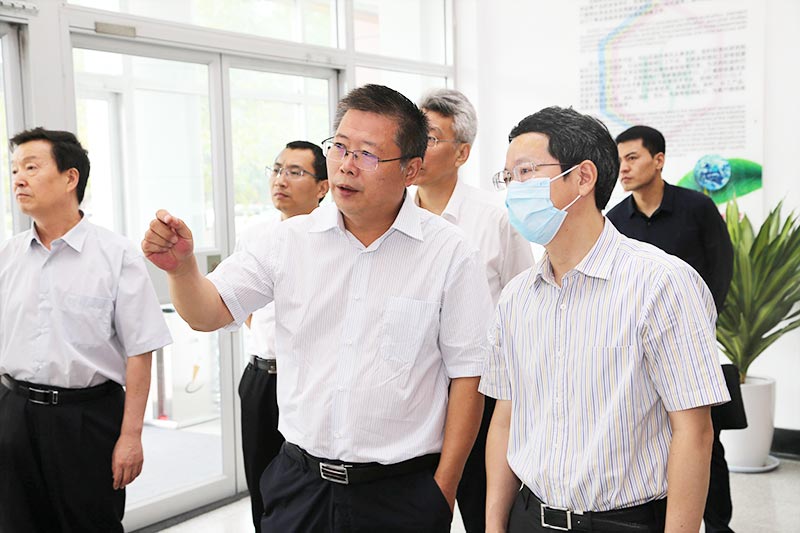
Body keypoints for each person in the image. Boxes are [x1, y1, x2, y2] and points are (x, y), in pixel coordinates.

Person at [142, 84, 493, 532]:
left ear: (410, 169)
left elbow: (469, 375)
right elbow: (207, 313)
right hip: (301, 485)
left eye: (368, 154)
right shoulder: (286, 242)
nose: (347, 165)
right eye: (340, 147)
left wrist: (443, 489)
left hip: (401, 492)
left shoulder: (449, 252)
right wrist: (182, 270)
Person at [481, 107, 730, 533]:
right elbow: (505, 416)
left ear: (583, 177)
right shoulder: (517, 297)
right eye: (508, 177)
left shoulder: (661, 283)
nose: (514, 190)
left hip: (623, 521)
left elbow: (693, 431)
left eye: (526, 172)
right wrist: (493, 525)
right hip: (529, 516)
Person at [0, 128, 172, 533]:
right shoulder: (7, 255)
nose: (18, 179)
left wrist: (131, 436)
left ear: (70, 177)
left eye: (31, 167)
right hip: (14, 413)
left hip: (86, 420)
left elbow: (140, 350)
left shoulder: (116, 255)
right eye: (14, 169)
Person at [607, 125, 745, 533]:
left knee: (705, 440)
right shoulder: (614, 220)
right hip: (637, 354)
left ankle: (718, 525)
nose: (623, 168)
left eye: (632, 158)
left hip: (692, 345)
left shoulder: (697, 207)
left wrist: (697, 329)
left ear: (659, 160)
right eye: (619, 160)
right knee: (653, 440)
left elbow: (721, 269)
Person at [415, 88, 533, 533]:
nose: (415, 147)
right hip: (415, 396)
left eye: (429, 138)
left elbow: (525, 309)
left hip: (483, 396)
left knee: (485, 514)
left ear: (462, 152)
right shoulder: (392, 217)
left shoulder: (495, 218)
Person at [237, 140, 329, 533]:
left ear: (323, 187)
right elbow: (244, 308)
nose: (280, 180)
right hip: (260, 378)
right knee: (260, 483)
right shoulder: (255, 236)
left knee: (305, 491)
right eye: (277, 170)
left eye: (295, 172)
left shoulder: (332, 240)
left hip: (308, 381)